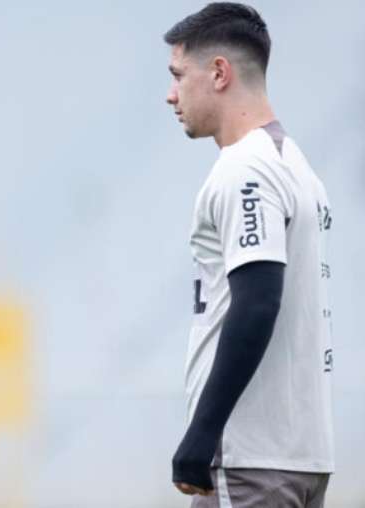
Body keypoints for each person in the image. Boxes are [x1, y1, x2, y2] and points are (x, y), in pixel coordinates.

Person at [163, 3, 334, 506]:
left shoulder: (246, 171)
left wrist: (202, 433)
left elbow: (257, 302)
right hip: (299, 456)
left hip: (249, 459)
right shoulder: (294, 163)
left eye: (178, 75)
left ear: (219, 73)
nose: (170, 94)